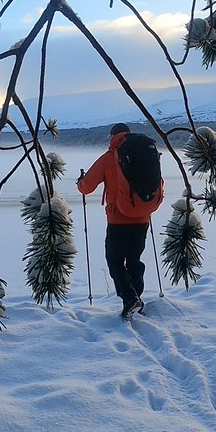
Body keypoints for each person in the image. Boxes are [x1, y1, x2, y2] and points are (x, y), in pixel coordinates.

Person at [77, 122, 155, 319]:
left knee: (115, 260)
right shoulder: (143, 154)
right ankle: (136, 298)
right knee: (134, 260)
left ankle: (130, 299)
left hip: (118, 220)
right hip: (142, 218)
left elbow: (86, 187)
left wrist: (80, 182)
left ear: (112, 137)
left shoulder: (109, 158)